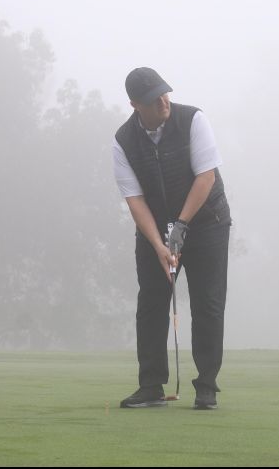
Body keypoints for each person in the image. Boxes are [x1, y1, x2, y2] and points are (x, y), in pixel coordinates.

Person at [112, 67, 232, 409]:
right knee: (151, 303)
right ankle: (151, 386)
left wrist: (180, 227)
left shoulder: (193, 120)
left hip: (208, 222)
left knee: (208, 303)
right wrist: (159, 244)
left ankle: (206, 386)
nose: (164, 101)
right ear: (136, 105)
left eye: (165, 93)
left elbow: (205, 178)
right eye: (154, 99)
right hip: (155, 226)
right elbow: (135, 200)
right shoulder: (123, 141)